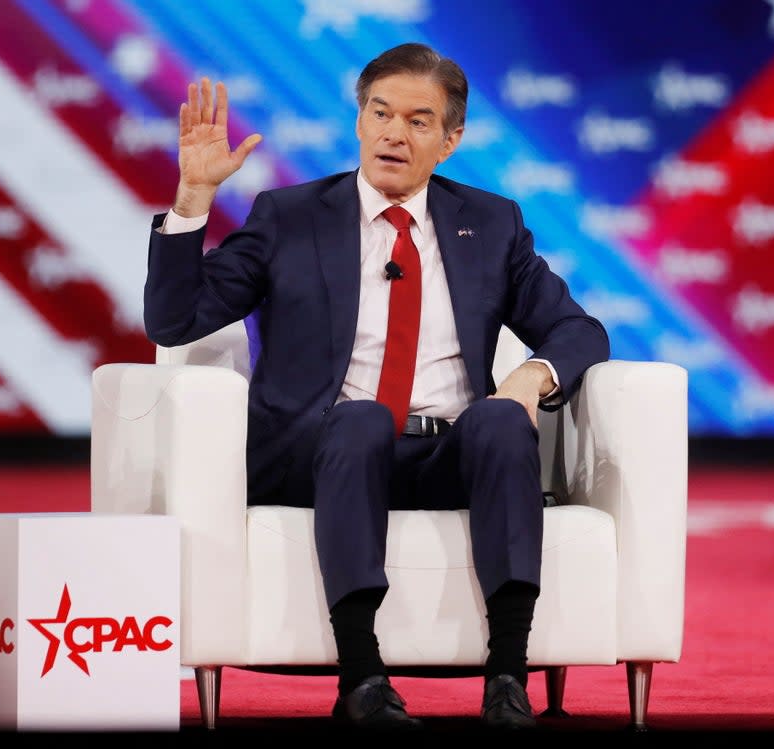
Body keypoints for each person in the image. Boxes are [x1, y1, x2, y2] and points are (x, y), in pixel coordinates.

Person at [143, 42, 609, 730]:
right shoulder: (289, 216)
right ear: (359, 122)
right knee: (361, 421)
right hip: (320, 455)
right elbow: (174, 320)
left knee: (504, 421)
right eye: (380, 113)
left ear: (450, 141)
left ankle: (508, 676)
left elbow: (579, 330)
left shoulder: (492, 224)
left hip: (446, 455)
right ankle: (362, 678)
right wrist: (193, 198)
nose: (394, 132)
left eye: (419, 121)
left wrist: (531, 377)